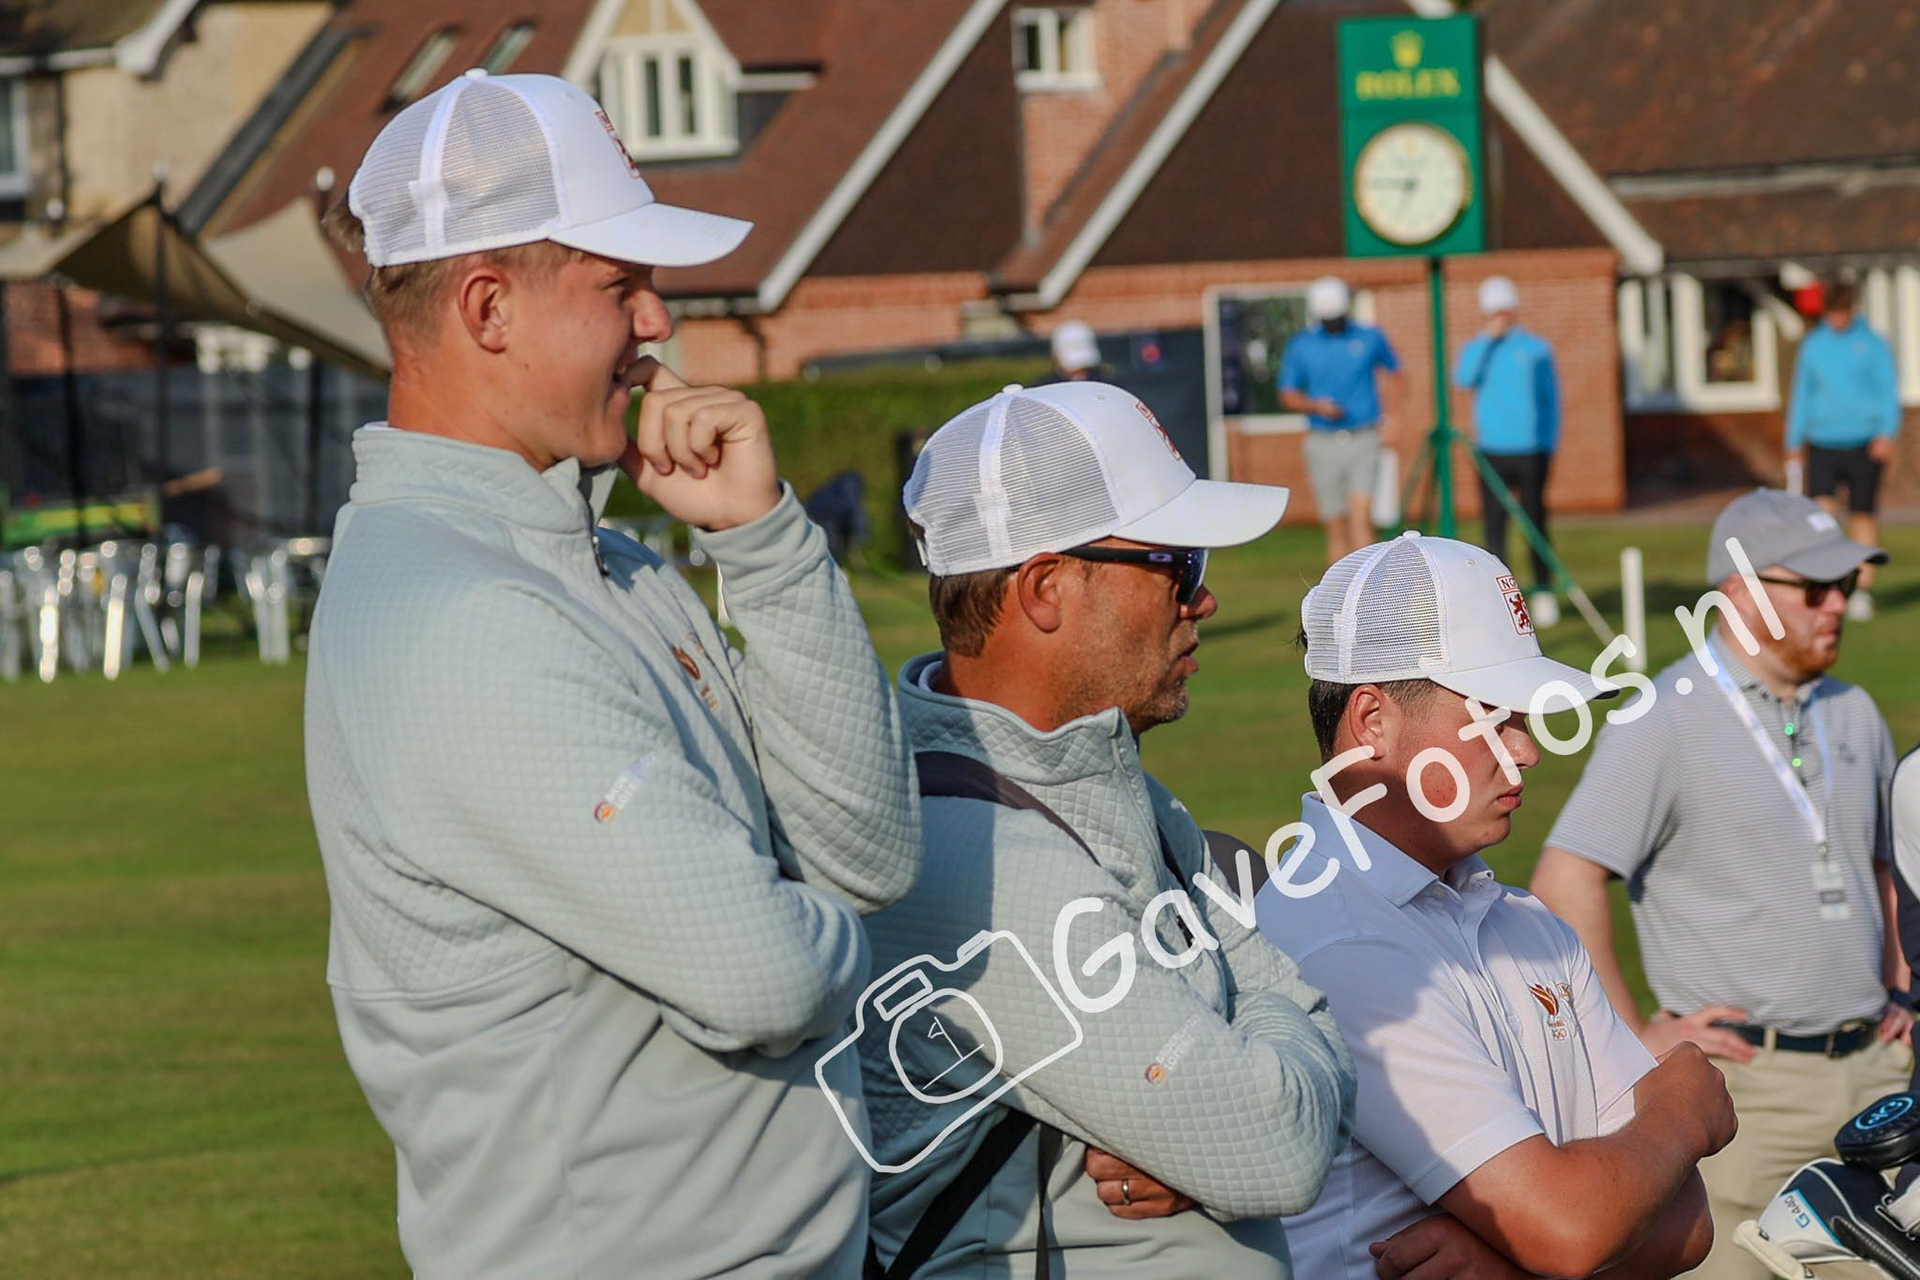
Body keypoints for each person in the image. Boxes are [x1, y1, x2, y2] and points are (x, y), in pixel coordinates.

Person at [304, 71, 922, 1278]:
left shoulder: (607, 561)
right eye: (618, 283)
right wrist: (843, 939)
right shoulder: (462, 613)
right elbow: (766, 970)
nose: (657, 321)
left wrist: (764, 540)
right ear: (487, 307)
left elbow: (870, 849)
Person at [854, 381, 1355, 1277]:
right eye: (1177, 562)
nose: (1201, 599)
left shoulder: (1133, 794)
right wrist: (1250, 1073)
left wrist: (1245, 1083)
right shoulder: (975, 857)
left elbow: (1313, 1054)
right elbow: (1281, 1144)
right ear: (1046, 587)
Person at [1260, 532, 1730, 1279]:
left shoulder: (1528, 923)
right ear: (1371, 720)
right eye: (1491, 714)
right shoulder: (1329, 940)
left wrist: (1515, 1263)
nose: (1528, 747)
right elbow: (1574, 1228)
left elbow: (1687, 1222)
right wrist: (1682, 1113)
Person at [1532, 487, 1910, 1280]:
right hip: (1746, 1096)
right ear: (1738, 593)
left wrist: (1901, 989)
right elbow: (1567, 876)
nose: (1838, 603)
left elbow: (1884, 863)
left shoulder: (1856, 711)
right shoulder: (1661, 717)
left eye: (1846, 584)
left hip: (1879, 1078)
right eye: (1814, 588)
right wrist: (1635, 1038)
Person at [1786, 282, 1901, 621]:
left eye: (1841, 312)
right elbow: (1802, 394)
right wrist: (1793, 441)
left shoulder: (1873, 344)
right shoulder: (1813, 345)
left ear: (1852, 310)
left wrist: (1886, 433)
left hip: (1864, 441)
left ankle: (1862, 590)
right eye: (1831, 313)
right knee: (1823, 513)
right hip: (1823, 440)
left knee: (1862, 515)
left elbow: (1887, 390)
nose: (1836, 319)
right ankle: (1831, 582)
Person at [1454, 274, 1563, 628]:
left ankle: (1543, 591)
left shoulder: (1536, 349)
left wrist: (1548, 443)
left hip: (1530, 448)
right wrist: (1488, 340)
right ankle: (1501, 597)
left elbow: (1551, 400)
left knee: (1534, 519)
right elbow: (1463, 379)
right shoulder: (1477, 348)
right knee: (1494, 526)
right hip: (1491, 450)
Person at [1278, 276, 1403, 566]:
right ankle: (1341, 597)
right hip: (1322, 441)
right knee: (1335, 525)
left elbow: (1396, 373)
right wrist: (1315, 406)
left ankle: (1370, 593)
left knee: (1362, 516)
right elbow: (1288, 394)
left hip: (1364, 437)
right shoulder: (1302, 345)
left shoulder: (1370, 337)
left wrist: (1394, 417)